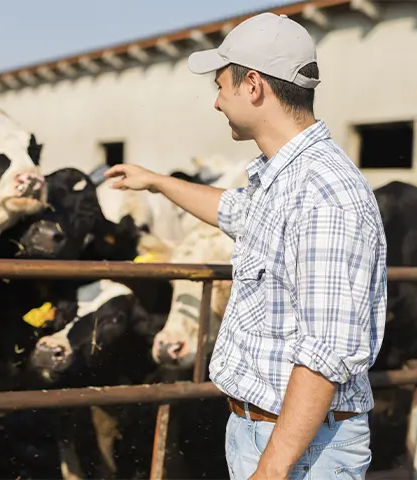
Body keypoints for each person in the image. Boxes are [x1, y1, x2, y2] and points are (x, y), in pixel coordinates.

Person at [104, 12, 387, 480]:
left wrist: (271, 470)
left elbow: (327, 353)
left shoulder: (324, 195)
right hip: (269, 431)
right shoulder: (287, 180)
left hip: (302, 450)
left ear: (253, 86)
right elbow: (235, 212)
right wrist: (157, 183)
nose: (216, 102)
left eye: (221, 85)